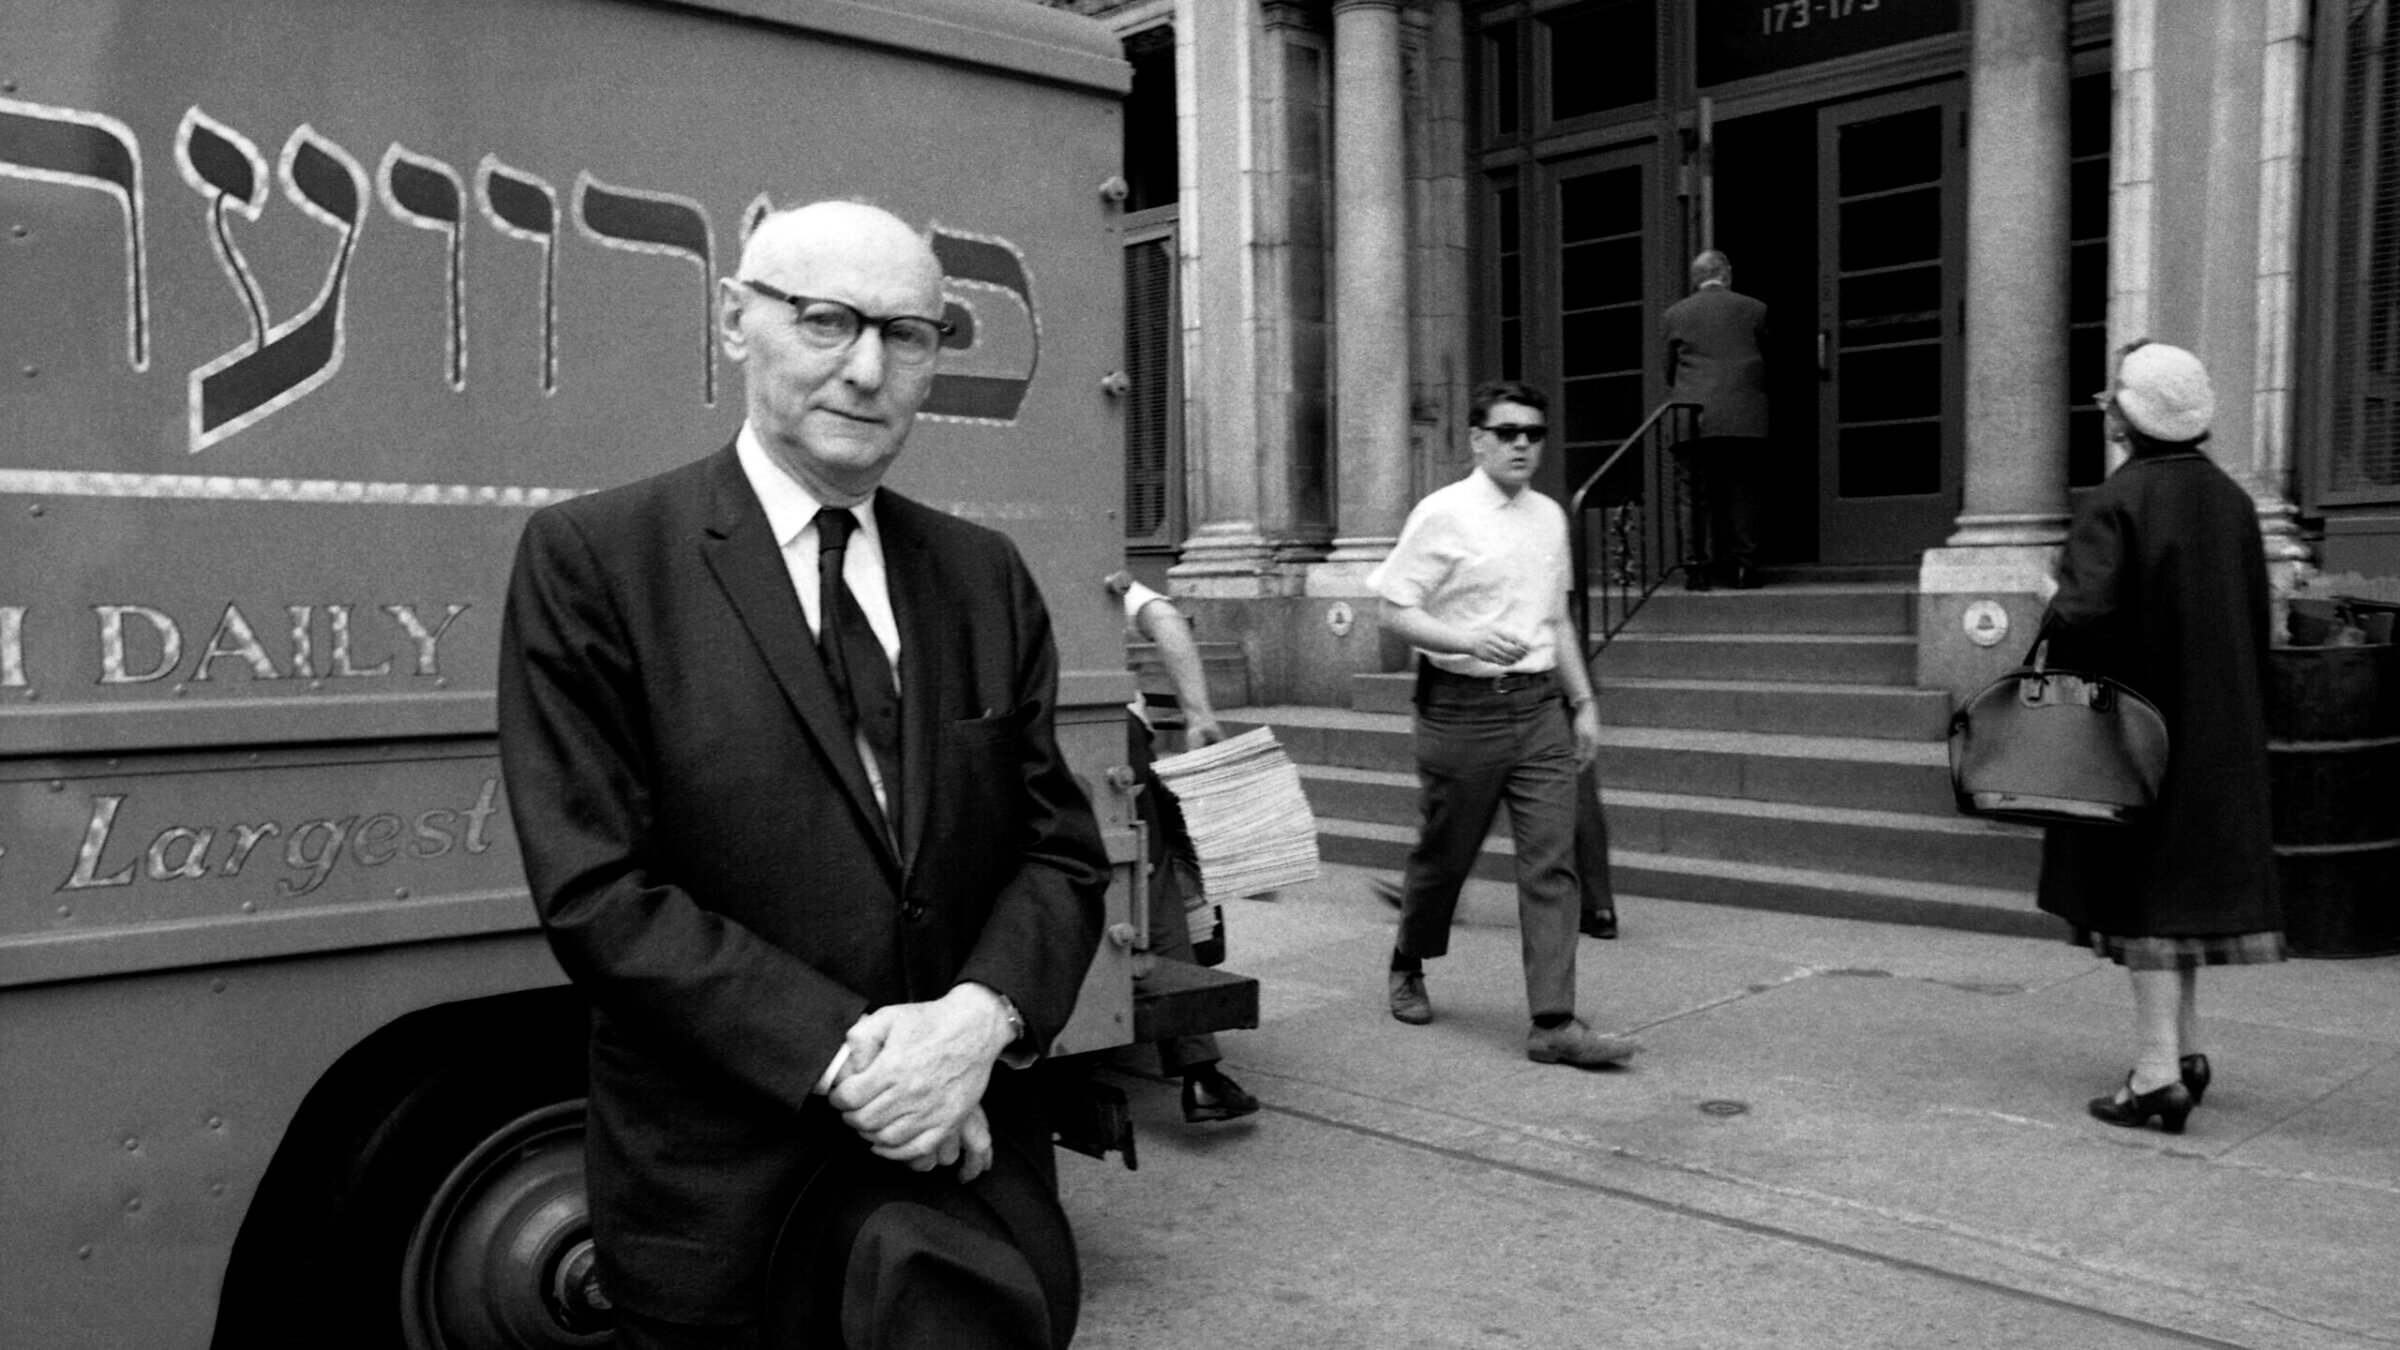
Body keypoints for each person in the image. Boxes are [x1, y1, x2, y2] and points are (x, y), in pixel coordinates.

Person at [497, 200, 1109, 1348]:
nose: (868, 369)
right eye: (826, 321)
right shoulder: (596, 561)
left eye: (908, 334)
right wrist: (863, 1068)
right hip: (724, 1214)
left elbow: (1060, 854)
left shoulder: (984, 575)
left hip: (963, 1195)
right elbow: (598, 895)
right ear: (737, 322)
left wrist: (976, 1027)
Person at [2037, 340, 2284, 1135]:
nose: (2105, 407)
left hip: (2137, 733)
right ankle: (2186, 1052)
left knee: (2142, 901)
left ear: (2134, 413)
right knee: (2179, 896)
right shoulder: (2233, 501)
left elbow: (2083, 623)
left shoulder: (2118, 499)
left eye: (2114, 397)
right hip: (2219, 730)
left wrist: (2050, 595)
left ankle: (2153, 1077)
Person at [1370, 378, 1642, 1068]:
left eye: (1535, 433)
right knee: (1443, 860)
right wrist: (1464, 641)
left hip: (1539, 710)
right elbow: (1394, 610)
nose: (1523, 444)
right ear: (1477, 439)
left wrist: (1582, 702)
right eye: (1509, 432)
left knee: (1551, 864)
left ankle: (1553, 1022)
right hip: (1461, 713)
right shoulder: (1443, 513)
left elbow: (1556, 617)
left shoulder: (1550, 516)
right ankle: (1408, 959)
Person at [1107, 570, 1262, 1124]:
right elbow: (1164, 618)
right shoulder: (1086, 554)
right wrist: (1199, 714)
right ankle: (1199, 1072)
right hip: (1111, 729)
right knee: (1150, 874)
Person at [1662, 250, 1772, 590]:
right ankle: (1743, 567)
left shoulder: (1675, 314)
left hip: (1692, 415)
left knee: (1693, 494)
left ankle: (1697, 569)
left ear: (1696, 279)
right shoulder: (1755, 309)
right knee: (1743, 490)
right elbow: (1767, 359)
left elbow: (1669, 370)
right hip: (1743, 414)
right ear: (1728, 274)